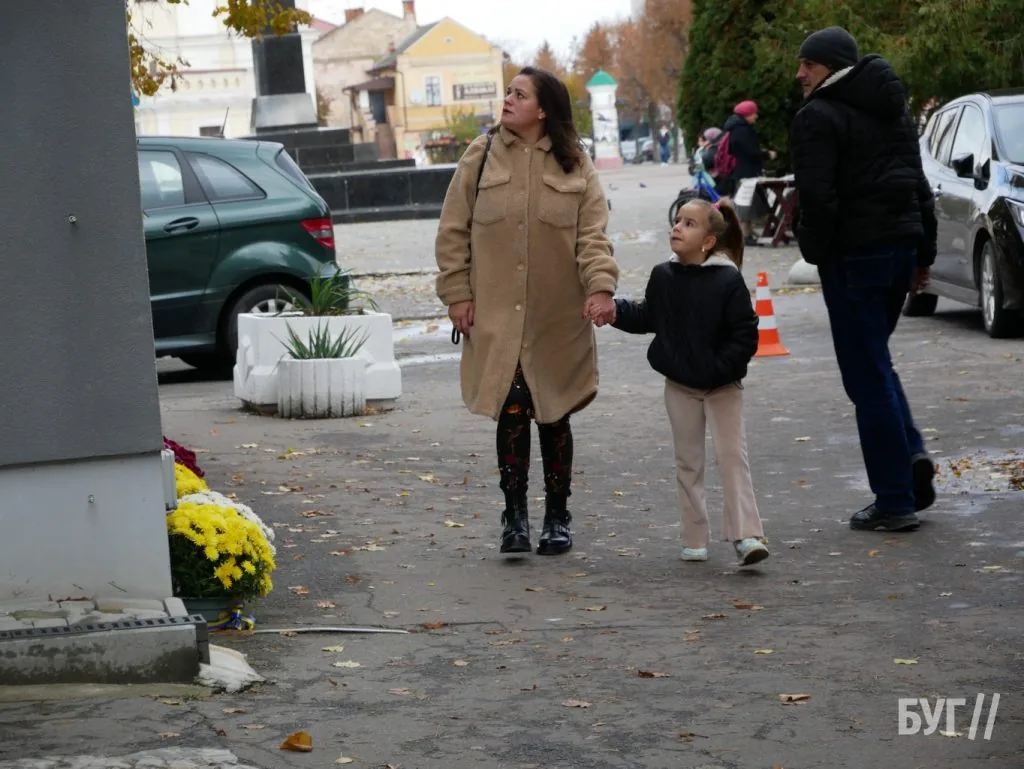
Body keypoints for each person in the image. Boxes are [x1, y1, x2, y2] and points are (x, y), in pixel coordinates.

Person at [434, 66, 619, 556]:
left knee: (554, 411)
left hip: (558, 318)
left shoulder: (575, 162)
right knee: (512, 406)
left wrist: (601, 288)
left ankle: (558, 517)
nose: (507, 99)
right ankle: (514, 516)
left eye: (520, 94)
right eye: (508, 92)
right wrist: (457, 294)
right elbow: (452, 231)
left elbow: (592, 236)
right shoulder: (480, 157)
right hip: (496, 313)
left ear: (543, 109)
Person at [790, 26, 938, 532]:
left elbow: (818, 198)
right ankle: (911, 453)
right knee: (877, 361)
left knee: (866, 375)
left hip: (854, 259)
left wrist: (813, 249)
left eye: (808, 64)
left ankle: (895, 499)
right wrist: (924, 252)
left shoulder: (818, 117)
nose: (800, 73)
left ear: (832, 66)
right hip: (897, 253)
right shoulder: (890, 106)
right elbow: (917, 183)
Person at [595, 198, 769, 566]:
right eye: (677, 221)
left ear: (708, 241)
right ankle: (695, 539)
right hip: (680, 386)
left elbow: (744, 334)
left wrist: (722, 368)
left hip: (723, 386)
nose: (677, 227)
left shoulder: (728, 278)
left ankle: (747, 536)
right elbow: (649, 316)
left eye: (689, 224)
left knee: (732, 458)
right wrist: (615, 311)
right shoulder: (663, 275)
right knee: (688, 462)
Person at [718, 101, 773, 243]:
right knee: (746, 204)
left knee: (748, 203)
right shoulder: (742, 130)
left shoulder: (737, 128)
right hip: (745, 173)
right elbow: (750, 152)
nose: (756, 116)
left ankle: (747, 232)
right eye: (753, 113)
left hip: (742, 171)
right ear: (747, 114)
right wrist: (766, 154)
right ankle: (745, 234)